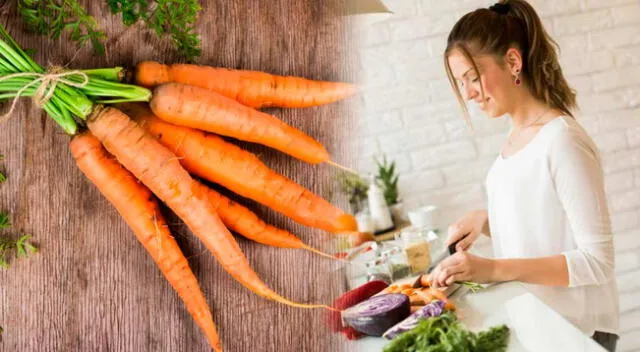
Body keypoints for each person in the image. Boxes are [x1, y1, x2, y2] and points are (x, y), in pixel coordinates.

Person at [427, 1, 619, 351]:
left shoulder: (562, 140)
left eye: (472, 77)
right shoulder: (515, 141)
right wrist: (485, 220)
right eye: (461, 82)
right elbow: (543, 217)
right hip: (542, 324)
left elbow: (597, 262)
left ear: (513, 62)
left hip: (578, 332)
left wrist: (493, 268)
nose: (469, 93)